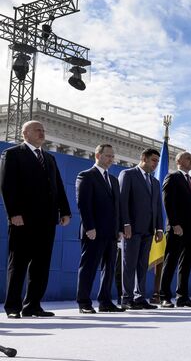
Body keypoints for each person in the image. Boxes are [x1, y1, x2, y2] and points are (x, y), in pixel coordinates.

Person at [0, 121, 71, 318]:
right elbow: (7, 185)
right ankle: (13, 307)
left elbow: (58, 186)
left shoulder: (49, 158)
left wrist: (65, 211)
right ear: (25, 133)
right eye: (38, 130)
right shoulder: (13, 154)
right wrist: (13, 213)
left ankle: (33, 305)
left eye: (43, 130)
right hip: (22, 220)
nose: (42, 133)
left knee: (41, 265)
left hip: (47, 221)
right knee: (19, 264)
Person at [75, 144, 125, 314]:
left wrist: (119, 229)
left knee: (109, 268)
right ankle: (84, 303)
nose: (111, 159)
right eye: (108, 156)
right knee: (88, 267)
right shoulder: (86, 176)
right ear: (98, 155)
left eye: (112, 156)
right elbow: (83, 203)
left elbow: (117, 207)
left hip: (111, 233)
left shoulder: (113, 180)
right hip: (93, 232)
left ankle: (105, 302)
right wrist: (89, 227)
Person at [119, 148, 164, 310]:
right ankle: (127, 298)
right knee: (129, 264)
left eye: (157, 162)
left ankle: (140, 297)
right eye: (153, 160)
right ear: (143, 158)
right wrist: (125, 224)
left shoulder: (155, 182)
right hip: (131, 229)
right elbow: (122, 201)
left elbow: (158, 207)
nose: (155, 164)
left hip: (148, 230)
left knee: (143, 265)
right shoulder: (128, 174)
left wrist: (159, 228)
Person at [160, 151, 191, 308]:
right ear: (178, 160)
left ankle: (183, 297)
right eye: (188, 158)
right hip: (176, 228)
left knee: (186, 264)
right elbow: (168, 202)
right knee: (170, 262)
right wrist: (174, 224)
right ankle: (164, 297)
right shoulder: (172, 177)